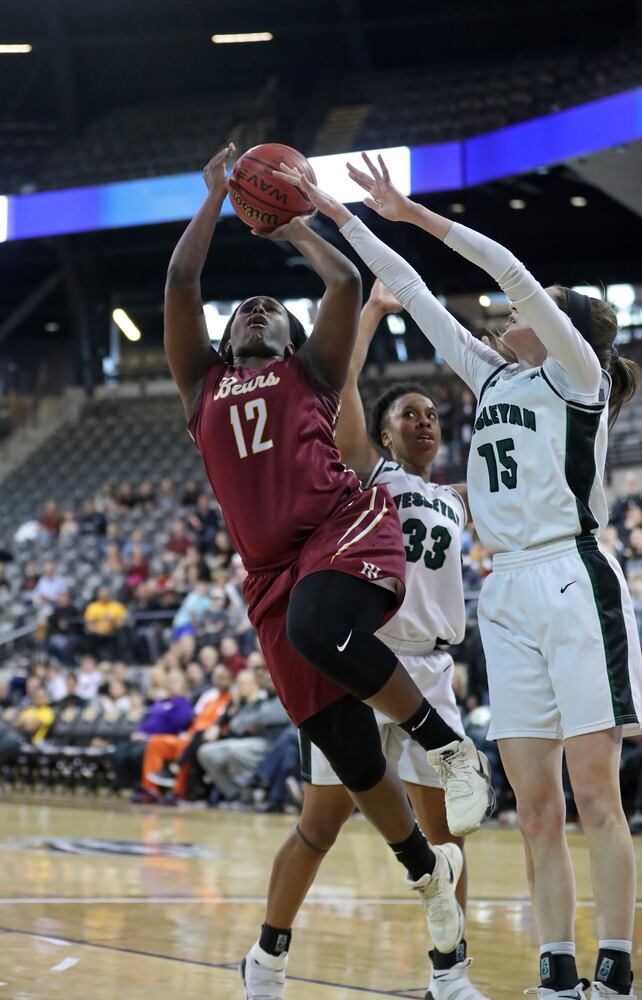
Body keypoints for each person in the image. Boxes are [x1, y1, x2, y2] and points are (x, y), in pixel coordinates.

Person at [277, 153, 642, 998]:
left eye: (530, 309)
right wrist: (341, 214)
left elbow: (506, 269)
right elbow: (410, 286)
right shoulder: (490, 373)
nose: (512, 309)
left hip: (573, 575)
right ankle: (557, 973)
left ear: (564, 329)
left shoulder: (577, 377)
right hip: (505, 592)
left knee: (595, 795)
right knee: (535, 807)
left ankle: (615, 972)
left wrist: (417, 213)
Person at [164, 145, 494, 977]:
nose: (255, 310)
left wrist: (297, 223)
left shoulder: (311, 372)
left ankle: (450, 748)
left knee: (321, 620)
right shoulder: (200, 385)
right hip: (272, 576)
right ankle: (426, 875)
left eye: (272, 309)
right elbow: (179, 287)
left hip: (342, 530)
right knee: (348, 756)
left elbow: (344, 287)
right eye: (244, 309)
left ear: (293, 335)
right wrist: (214, 201)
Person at [242, 279, 491, 998]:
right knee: (318, 826)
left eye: (431, 416)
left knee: (446, 841)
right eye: (409, 414)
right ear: (380, 434)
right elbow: (337, 385)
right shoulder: (367, 475)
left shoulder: (454, 497)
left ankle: (450, 977)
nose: (424, 423)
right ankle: (267, 961)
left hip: (429, 670)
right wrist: (375, 312)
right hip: (359, 667)